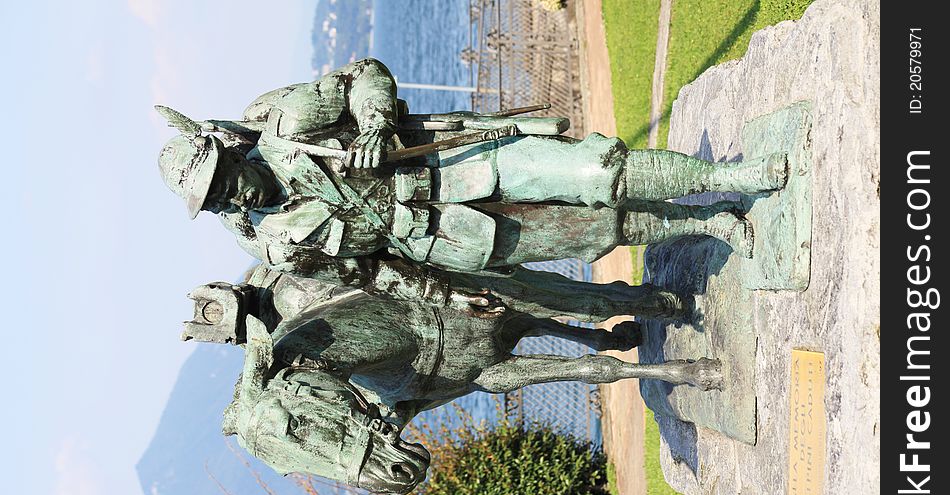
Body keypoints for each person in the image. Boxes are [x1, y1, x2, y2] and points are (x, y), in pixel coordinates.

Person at [158, 58, 786, 294]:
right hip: (444, 240)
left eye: (223, 175)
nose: (229, 192)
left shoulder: (288, 124)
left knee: (602, 172)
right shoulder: (269, 241)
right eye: (215, 198)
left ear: (230, 152)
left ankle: (732, 173)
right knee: (597, 231)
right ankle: (713, 223)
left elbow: (364, 76)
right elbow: (357, 277)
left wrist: (375, 123)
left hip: (455, 163)